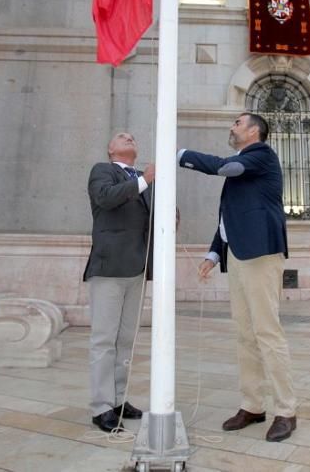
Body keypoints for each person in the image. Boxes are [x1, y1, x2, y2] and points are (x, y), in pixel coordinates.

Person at [178, 112, 297, 442]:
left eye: (237, 123)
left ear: (254, 130)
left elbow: (223, 167)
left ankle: (286, 411)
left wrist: (180, 155)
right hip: (238, 255)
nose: (232, 127)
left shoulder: (260, 156)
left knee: (267, 332)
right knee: (245, 333)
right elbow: (230, 217)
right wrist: (213, 254)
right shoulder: (246, 165)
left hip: (260, 254)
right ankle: (253, 405)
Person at [85, 132, 155, 432]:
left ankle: (118, 399)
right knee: (104, 340)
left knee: (125, 340)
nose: (129, 137)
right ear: (110, 148)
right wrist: (145, 181)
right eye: (121, 136)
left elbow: (157, 214)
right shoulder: (103, 170)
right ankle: (101, 407)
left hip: (137, 269)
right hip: (109, 267)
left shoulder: (145, 178)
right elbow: (106, 198)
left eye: (132, 137)